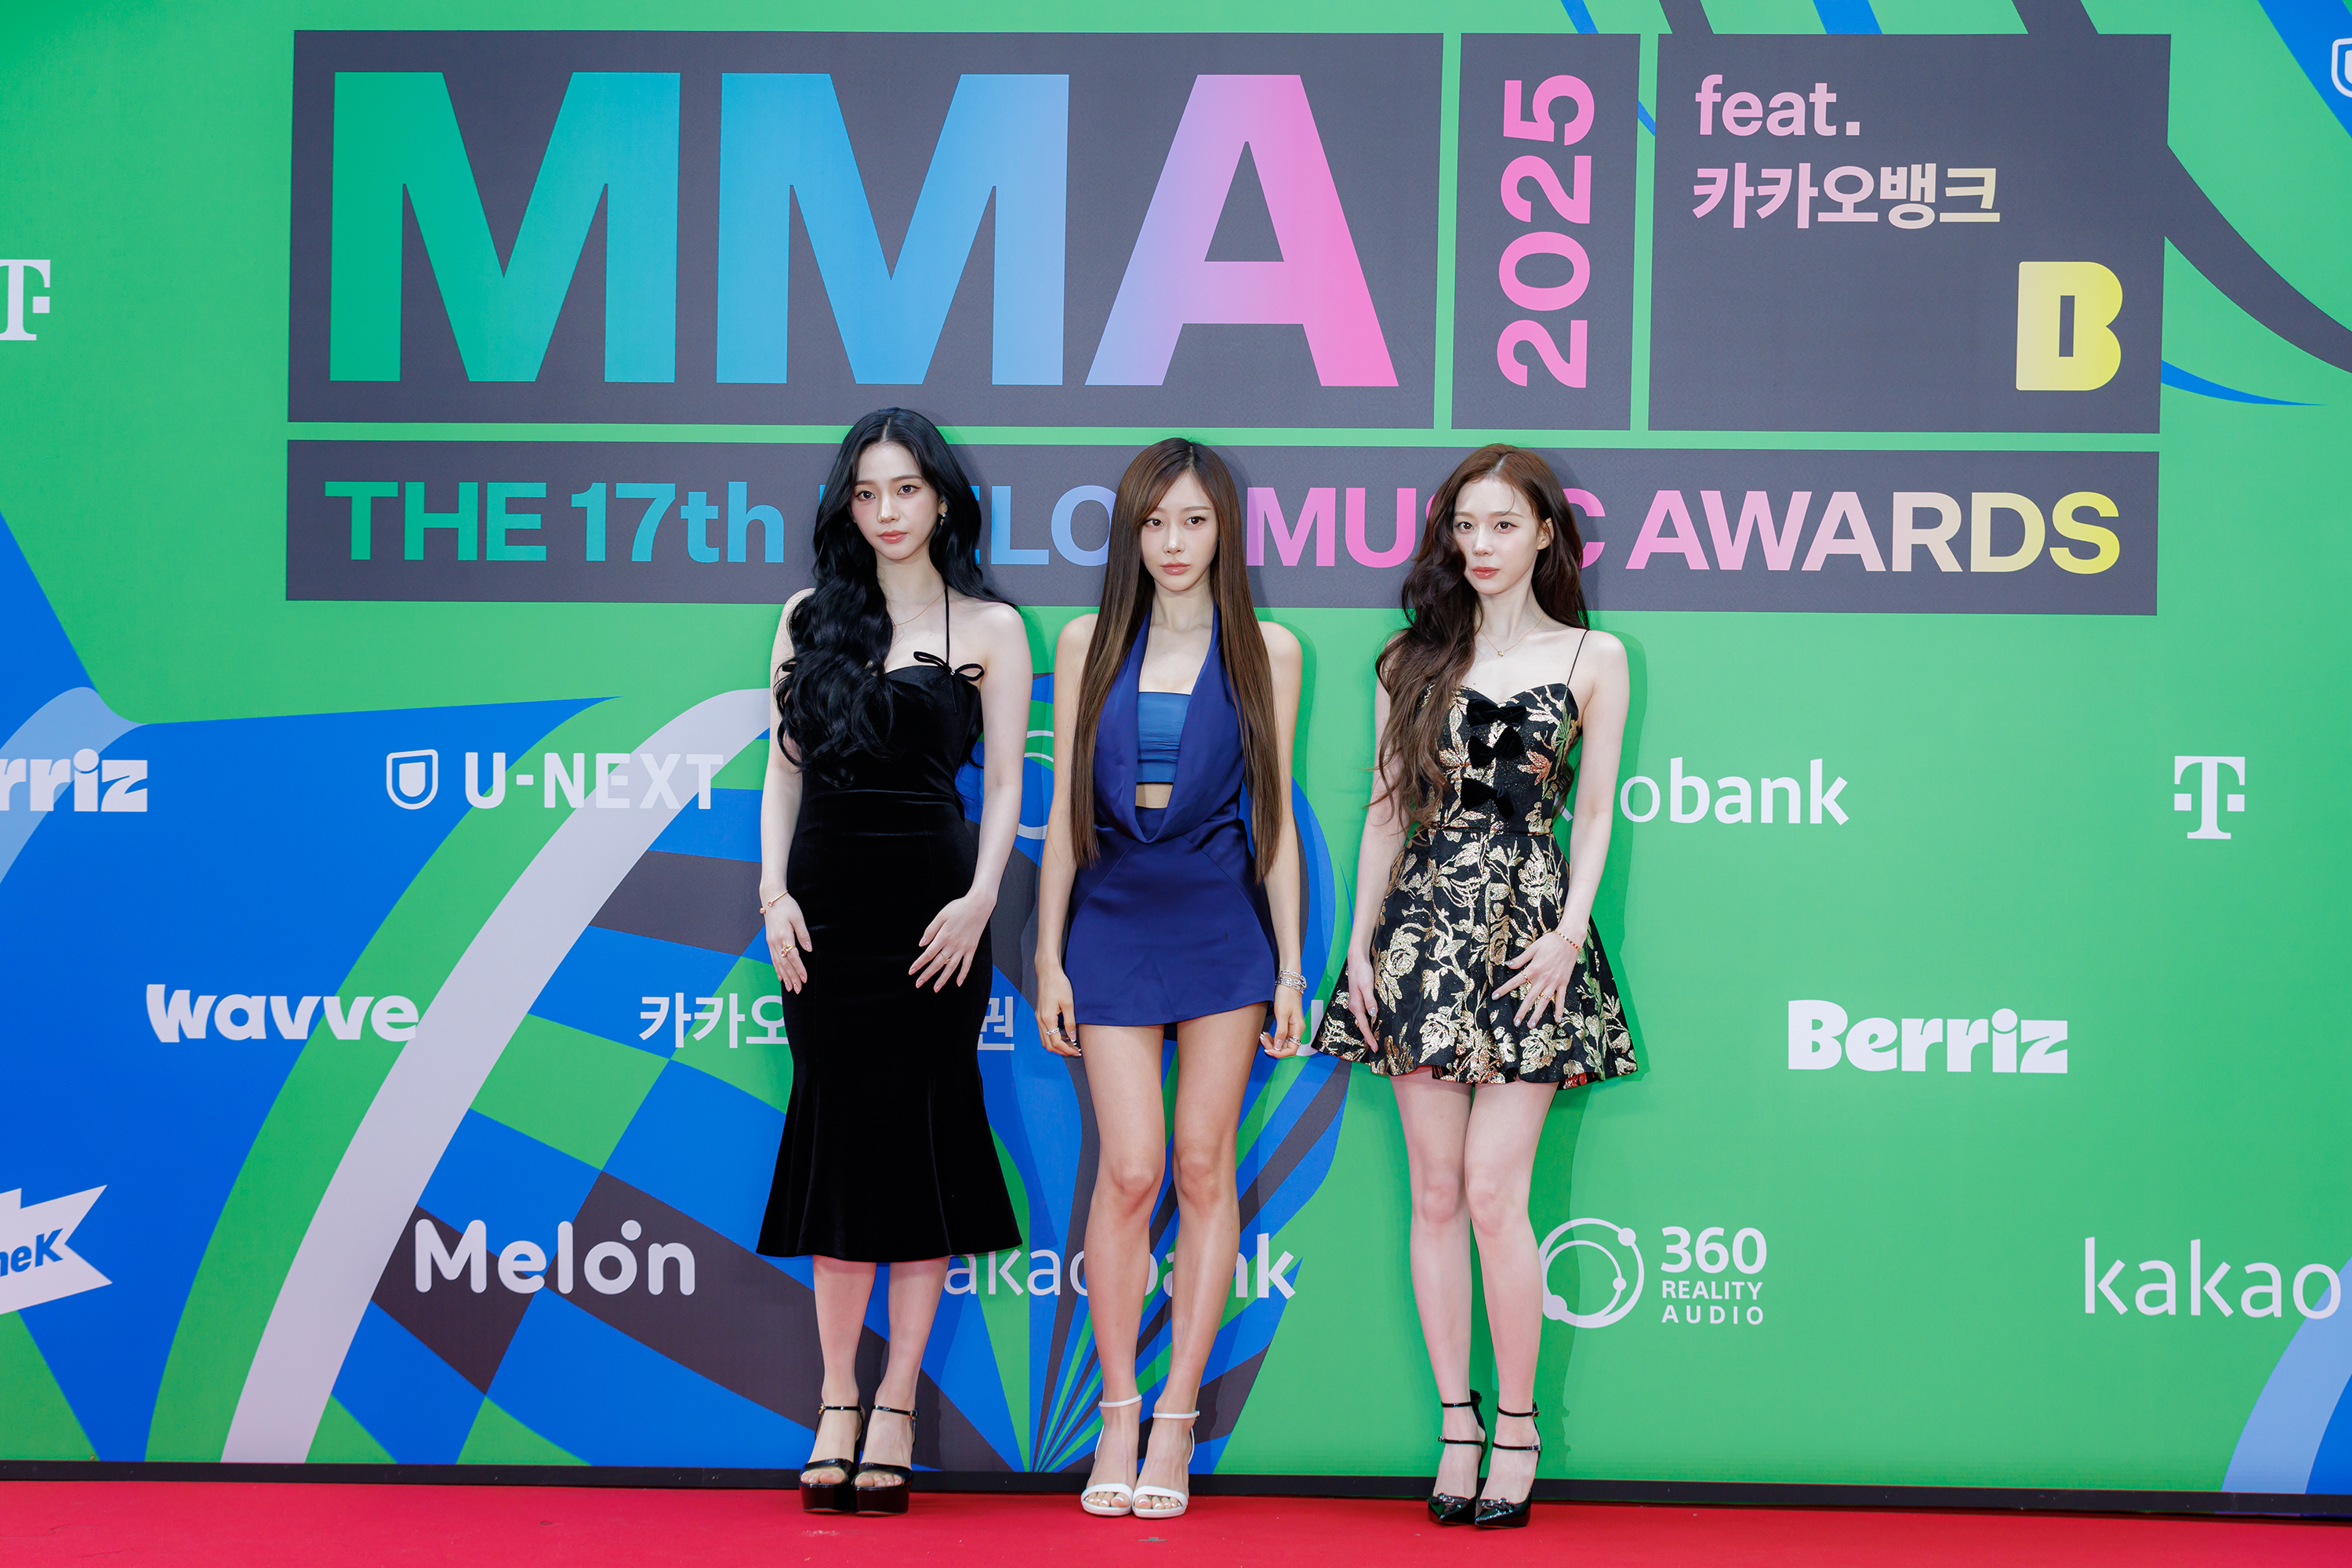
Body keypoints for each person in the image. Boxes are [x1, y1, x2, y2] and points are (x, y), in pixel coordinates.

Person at [1313, 444, 1637, 1530]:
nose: (1482, 545)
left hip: (1533, 936)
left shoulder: (1595, 656)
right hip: (1420, 934)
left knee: (1498, 1193)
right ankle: (1457, 1422)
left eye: (1504, 525)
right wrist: (1359, 951)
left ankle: (1520, 1426)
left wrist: (1569, 933)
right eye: (1466, 525)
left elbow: (1594, 811)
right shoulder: (1408, 658)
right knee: (1437, 1195)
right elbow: (1383, 811)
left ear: (1546, 533)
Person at [754, 408, 1033, 1516]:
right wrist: (773, 894)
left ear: (943, 499)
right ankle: (836, 1401)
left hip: (936, 917)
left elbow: (1005, 786)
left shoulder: (993, 627)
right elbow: (783, 772)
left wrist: (980, 901)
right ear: (847, 506)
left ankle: (898, 1407)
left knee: (919, 1150)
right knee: (837, 1148)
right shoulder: (806, 617)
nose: (886, 512)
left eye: (906, 490)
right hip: (823, 915)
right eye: (867, 493)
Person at [1033, 438, 1308, 1521]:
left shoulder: (1268, 651)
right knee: (1130, 1169)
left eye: (1194, 520)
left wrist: (1291, 967)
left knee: (1202, 1164)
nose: (1175, 542)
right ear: (1131, 533)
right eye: (1155, 522)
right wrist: (1047, 953)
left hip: (1218, 927)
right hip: (1110, 922)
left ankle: (1177, 1418)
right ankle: (1117, 1409)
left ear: (1224, 528)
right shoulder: (1087, 641)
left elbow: (1275, 820)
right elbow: (1063, 817)